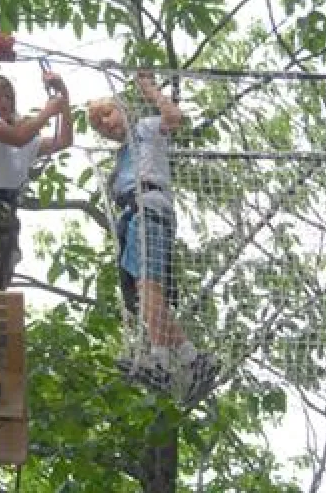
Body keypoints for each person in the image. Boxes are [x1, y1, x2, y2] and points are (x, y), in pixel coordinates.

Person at [87, 72, 218, 404]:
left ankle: (161, 361)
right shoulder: (121, 158)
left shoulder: (145, 130)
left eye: (108, 115)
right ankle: (191, 358)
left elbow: (174, 118)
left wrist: (149, 90)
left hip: (150, 210)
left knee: (149, 289)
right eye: (100, 127)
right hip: (136, 217)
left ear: (124, 109)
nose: (106, 126)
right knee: (145, 293)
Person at [0, 71, 73, 289]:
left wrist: (63, 97)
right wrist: (47, 112)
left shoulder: (23, 133)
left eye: (8, 97)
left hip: (8, 205)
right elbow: (19, 138)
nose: (4, 102)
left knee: (5, 260)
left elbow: (64, 140)